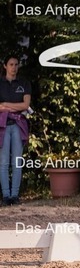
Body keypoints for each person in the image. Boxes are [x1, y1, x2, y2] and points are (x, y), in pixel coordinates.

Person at [0, 55, 31, 205]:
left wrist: (5, 104)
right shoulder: (0, 83)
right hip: (3, 126)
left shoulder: (24, 83)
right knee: (4, 162)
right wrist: (14, 107)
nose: (14, 67)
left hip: (18, 126)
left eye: (16, 64)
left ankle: (15, 195)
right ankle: (6, 196)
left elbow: (25, 105)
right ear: (5, 66)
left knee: (17, 161)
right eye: (11, 64)